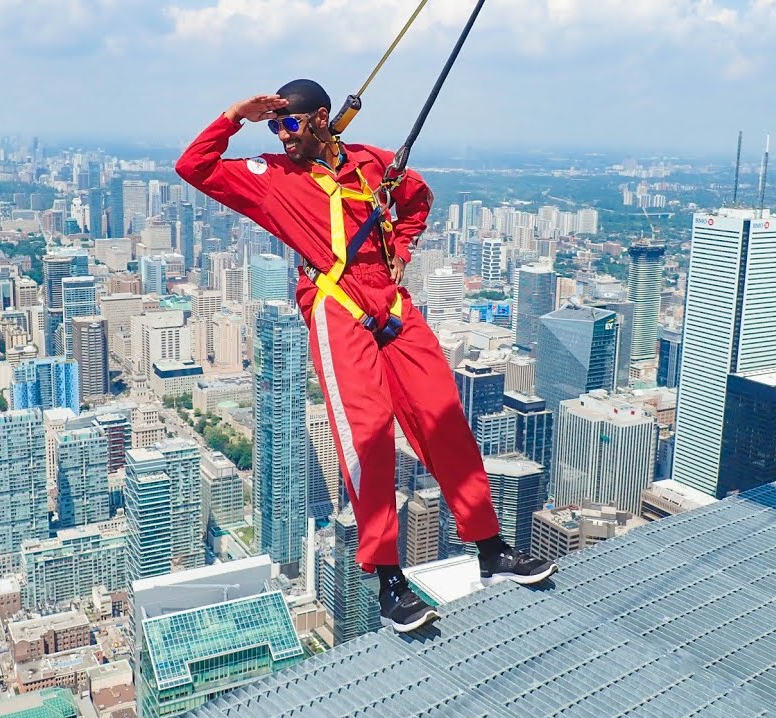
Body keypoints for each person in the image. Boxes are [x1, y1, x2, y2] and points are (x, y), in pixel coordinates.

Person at [176, 79, 555, 633]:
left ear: (320, 118)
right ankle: (389, 582)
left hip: (391, 301)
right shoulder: (269, 176)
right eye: (274, 126)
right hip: (336, 303)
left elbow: (417, 197)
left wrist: (400, 249)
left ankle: (490, 548)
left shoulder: (372, 165)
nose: (281, 135)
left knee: (443, 419)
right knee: (368, 435)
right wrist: (235, 114)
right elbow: (194, 165)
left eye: (289, 123)